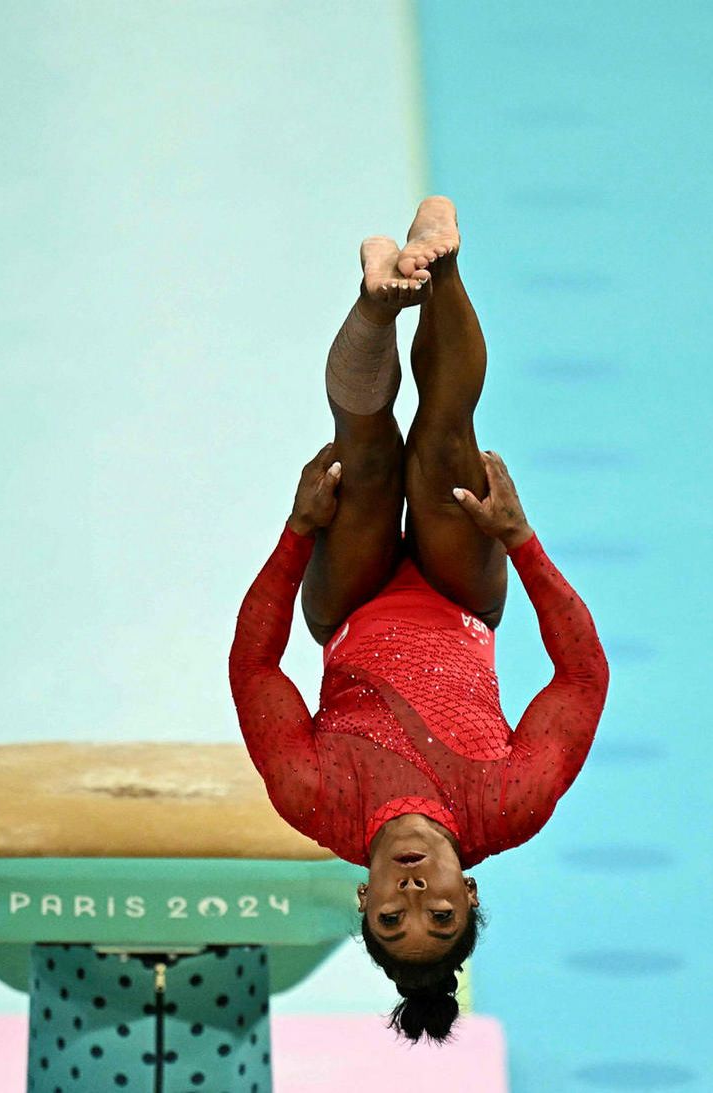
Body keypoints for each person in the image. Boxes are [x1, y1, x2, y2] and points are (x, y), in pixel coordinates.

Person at [228, 196, 609, 1043]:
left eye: (392, 921)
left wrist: (298, 533)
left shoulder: (314, 800)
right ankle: (439, 267)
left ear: (362, 901)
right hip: (461, 593)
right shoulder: (509, 803)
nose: (414, 900)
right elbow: (583, 677)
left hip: (351, 602)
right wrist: (521, 541)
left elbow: (256, 671)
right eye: (440, 917)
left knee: (363, 459)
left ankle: (376, 300)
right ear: (468, 892)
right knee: (445, 448)